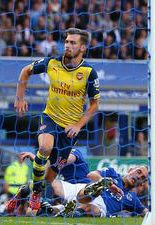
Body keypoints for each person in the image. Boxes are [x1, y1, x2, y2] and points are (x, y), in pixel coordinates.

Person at [14, 28, 100, 215]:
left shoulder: (89, 73)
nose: (68, 45)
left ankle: (27, 190)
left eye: (73, 43)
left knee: (49, 177)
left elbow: (94, 105)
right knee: (44, 148)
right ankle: (36, 195)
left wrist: (77, 125)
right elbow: (25, 71)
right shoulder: (52, 62)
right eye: (67, 42)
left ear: (83, 47)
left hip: (69, 130)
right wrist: (20, 98)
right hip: (50, 117)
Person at [5, 148, 91, 213]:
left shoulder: (73, 151)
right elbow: (53, 164)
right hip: (68, 192)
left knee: (91, 210)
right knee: (49, 182)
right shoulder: (56, 158)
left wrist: (37, 159)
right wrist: (36, 159)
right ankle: (37, 203)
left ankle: (29, 194)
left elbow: (64, 160)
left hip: (81, 189)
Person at [73, 166, 148, 217]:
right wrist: (109, 184)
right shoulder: (112, 173)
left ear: (141, 184)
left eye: (142, 178)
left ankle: (72, 211)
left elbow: (146, 213)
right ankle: (101, 184)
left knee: (91, 208)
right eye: (138, 172)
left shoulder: (132, 199)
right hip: (85, 192)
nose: (138, 176)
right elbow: (91, 174)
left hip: (99, 207)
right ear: (130, 170)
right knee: (89, 190)